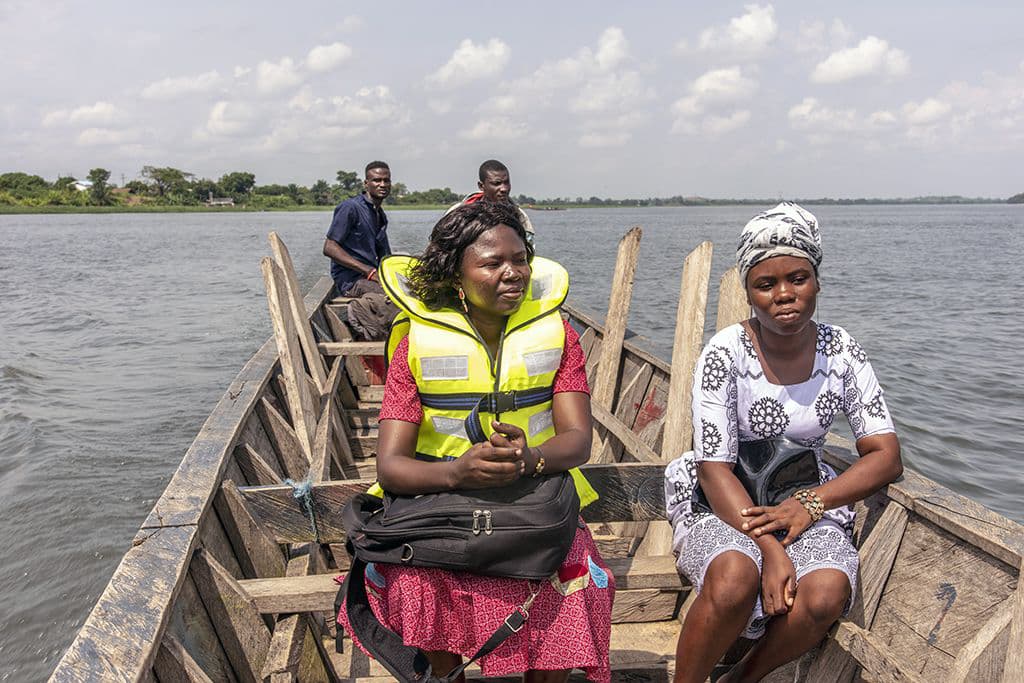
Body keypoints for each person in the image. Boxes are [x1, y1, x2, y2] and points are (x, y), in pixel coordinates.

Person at [337, 202, 614, 683]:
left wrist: (531, 458)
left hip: (535, 500)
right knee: (418, 578)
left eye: (521, 259)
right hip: (441, 500)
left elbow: (577, 441)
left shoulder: (560, 334)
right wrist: (457, 472)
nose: (514, 273)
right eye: (492, 263)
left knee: (572, 571)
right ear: (455, 276)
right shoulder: (412, 344)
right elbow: (390, 467)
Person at [665, 202, 903, 683]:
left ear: (817, 280)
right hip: (723, 500)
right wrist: (772, 549)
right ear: (748, 292)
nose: (784, 295)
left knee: (825, 595)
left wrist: (808, 506)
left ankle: (742, 679)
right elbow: (714, 469)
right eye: (766, 284)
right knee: (735, 578)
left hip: (804, 501)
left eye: (798, 278)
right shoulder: (725, 353)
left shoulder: (842, 351)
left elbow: (886, 457)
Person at [322, 160, 398, 340]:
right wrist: (370, 272)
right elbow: (329, 247)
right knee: (396, 299)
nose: (382, 185)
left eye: (386, 181)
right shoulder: (351, 208)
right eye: (376, 180)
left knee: (407, 291)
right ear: (366, 183)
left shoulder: (379, 214)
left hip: (369, 278)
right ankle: (368, 326)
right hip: (351, 280)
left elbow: (386, 256)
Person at [446, 159, 536, 245]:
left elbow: (528, 248)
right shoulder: (457, 212)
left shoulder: (520, 216)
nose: (504, 189)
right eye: (497, 183)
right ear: (481, 186)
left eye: (506, 182)